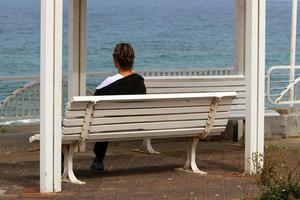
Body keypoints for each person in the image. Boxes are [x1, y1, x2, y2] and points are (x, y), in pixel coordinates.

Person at [90, 43, 146, 173]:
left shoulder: (108, 83)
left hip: (109, 125)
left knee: (104, 120)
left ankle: (98, 160)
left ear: (115, 61)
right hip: (134, 124)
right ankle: (98, 160)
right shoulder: (139, 81)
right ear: (132, 59)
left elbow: (94, 105)